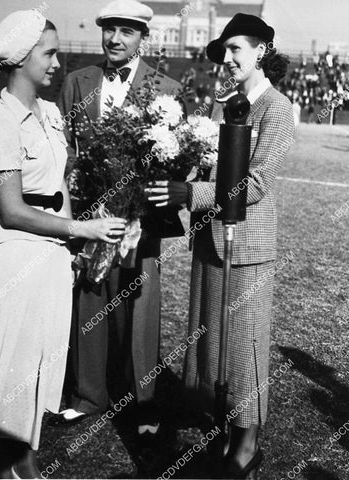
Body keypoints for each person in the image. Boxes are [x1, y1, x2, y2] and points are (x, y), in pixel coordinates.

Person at [147, 13, 295, 479]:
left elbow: (254, 184)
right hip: (210, 239)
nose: (227, 59)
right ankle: (223, 427)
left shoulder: (277, 107)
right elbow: (206, 163)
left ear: (260, 52)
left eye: (236, 49)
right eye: (224, 51)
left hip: (247, 246)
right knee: (213, 342)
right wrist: (180, 172)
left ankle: (247, 447)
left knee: (244, 346)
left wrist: (189, 194)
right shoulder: (223, 103)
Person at [0, 10, 126, 478]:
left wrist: (90, 221)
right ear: (21, 60)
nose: (58, 63)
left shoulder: (52, 113)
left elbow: (61, 189)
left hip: (51, 259)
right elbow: (11, 210)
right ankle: (3, 467)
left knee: (40, 369)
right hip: (15, 260)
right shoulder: (2, 121)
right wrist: (80, 232)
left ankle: (22, 462)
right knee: (11, 376)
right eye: (49, 53)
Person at [51, 0, 182, 443]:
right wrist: (80, 189)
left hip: (140, 221)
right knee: (90, 298)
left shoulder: (167, 87)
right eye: (109, 29)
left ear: (143, 37)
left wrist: (140, 204)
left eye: (127, 31)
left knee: (139, 306)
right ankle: (89, 395)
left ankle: (142, 400)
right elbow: (62, 147)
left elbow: (173, 161)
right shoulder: (76, 82)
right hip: (92, 216)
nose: (115, 39)